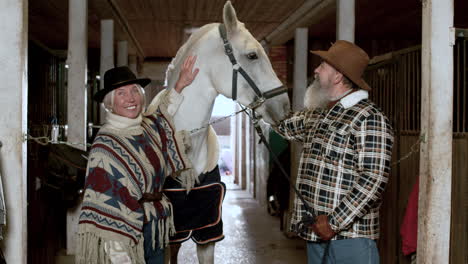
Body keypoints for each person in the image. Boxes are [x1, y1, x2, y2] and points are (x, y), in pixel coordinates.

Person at [274, 40, 394, 263]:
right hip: (315, 234)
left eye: (323, 66)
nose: (316, 70)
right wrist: (255, 101)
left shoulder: (369, 117)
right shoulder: (320, 114)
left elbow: (373, 178)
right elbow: (282, 125)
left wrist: (334, 222)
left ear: (337, 76)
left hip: (350, 239)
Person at [76, 56, 199, 264]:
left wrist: (179, 85)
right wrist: (121, 258)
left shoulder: (148, 128)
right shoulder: (106, 146)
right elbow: (108, 206)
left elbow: (164, 114)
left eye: (134, 91)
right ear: (110, 103)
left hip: (156, 222)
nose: (130, 98)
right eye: (121, 94)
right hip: (125, 233)